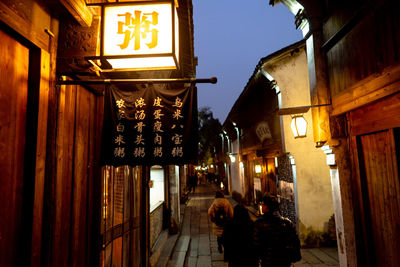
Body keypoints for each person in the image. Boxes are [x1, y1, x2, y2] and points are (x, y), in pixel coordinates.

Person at [253, 194, 301, 267]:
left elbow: (256, 245)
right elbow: (296, 242)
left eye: (263, 204)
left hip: (267, 261)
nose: (261, 206)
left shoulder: (259, 224)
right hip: (284, 261)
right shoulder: (287, 223)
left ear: (267, 207)